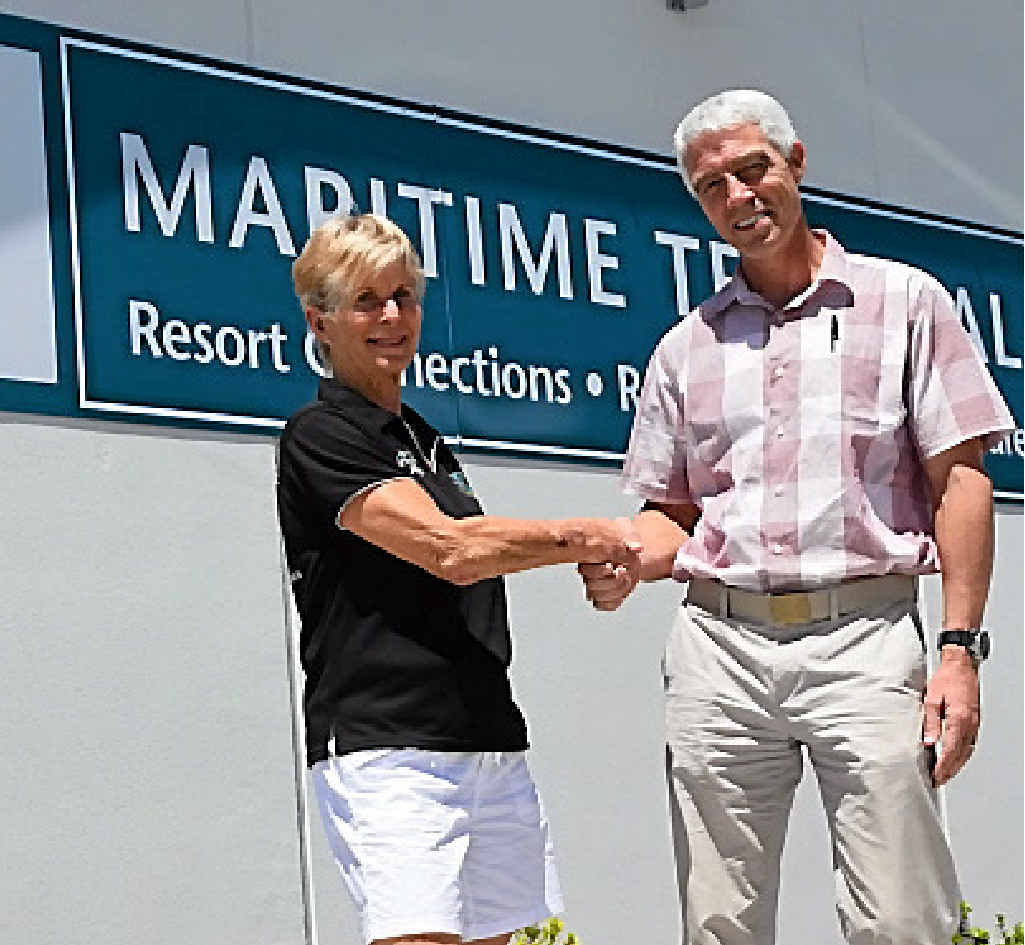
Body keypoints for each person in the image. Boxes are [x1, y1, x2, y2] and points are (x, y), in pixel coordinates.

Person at [578, 89, 1014, 945]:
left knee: (900, 917)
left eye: (753, 170)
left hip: (864, 637)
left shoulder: (904, 304)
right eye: (713, 186)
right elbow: (673, 514)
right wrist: (629, 553)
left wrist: (959, 651)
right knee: (718, 921)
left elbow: (961, 480)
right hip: (719, 651)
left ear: (796, 163)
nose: (738, 197)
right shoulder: (684, 347)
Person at [277, 213, 639, 945]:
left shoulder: (423, 437)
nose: (392, 317)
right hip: (391, 749)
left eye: (404, 295)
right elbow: (453, 549)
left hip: (482, 735)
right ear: (320, 320)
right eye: (366, 299)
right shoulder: (319, 435)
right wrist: (584, 537)